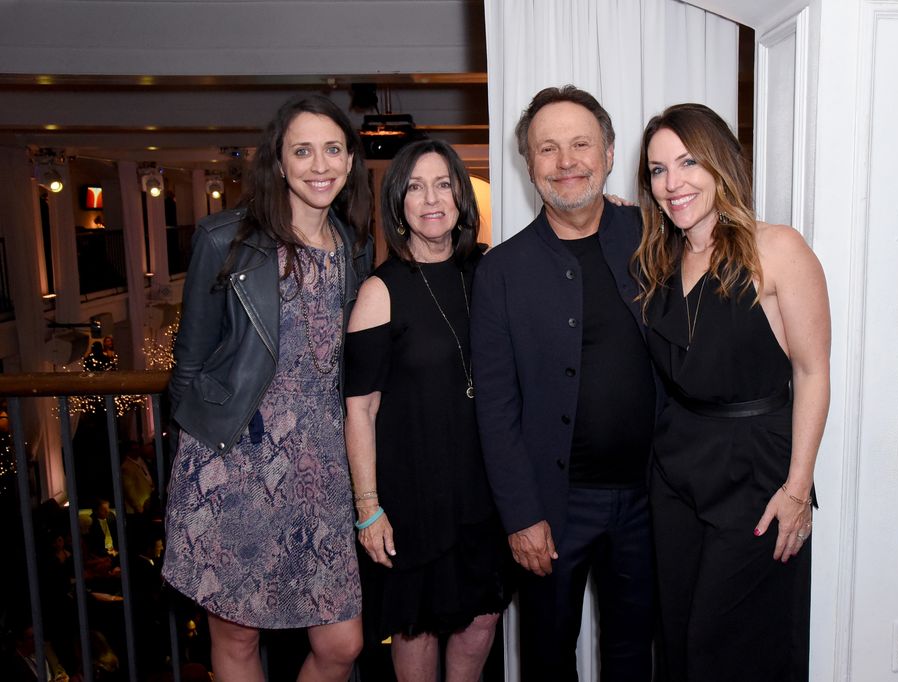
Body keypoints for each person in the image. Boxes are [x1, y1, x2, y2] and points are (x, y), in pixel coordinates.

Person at [162, 94, 373, 682]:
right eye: (301, 151)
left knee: (343, 643)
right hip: (234, 462)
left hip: (323, 468)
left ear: (351, 160)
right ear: (278, 163)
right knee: (237, 634)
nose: (319, 164)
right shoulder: (224, 239)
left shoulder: (356, 246)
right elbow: (189, 362)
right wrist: (202, 451)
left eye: (333, 149)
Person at [634, 103, 830, 680]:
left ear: (721, 163)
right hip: (676, 471)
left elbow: (814, 373)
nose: (673, 183)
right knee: (678, 639)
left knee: (732, 645)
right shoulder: (660, 255)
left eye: (688, 162)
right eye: (657, 170)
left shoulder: (778, 247)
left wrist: (798, 488)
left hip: (755, 473)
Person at [471, 85, 657, 680]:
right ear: (528, 165)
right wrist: (521, 515)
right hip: (553, 509)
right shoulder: (501, 270)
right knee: (549, 658)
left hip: (652, 501)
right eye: (547, 148)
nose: (566, 160)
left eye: (580, 144)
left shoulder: (654, 237)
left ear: (606, 152)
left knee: (636, 652)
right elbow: (495, 407)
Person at [345, 139, 513, 681]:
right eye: (414, 187)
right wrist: (368, 508)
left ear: (462, 199)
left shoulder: (486, 274)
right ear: (398, 205)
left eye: (443, 184)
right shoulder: (380, 290)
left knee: (481, 624)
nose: (431, 199)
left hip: (482, 490)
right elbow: (361, 410)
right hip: (412, 493)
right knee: (416, 629)